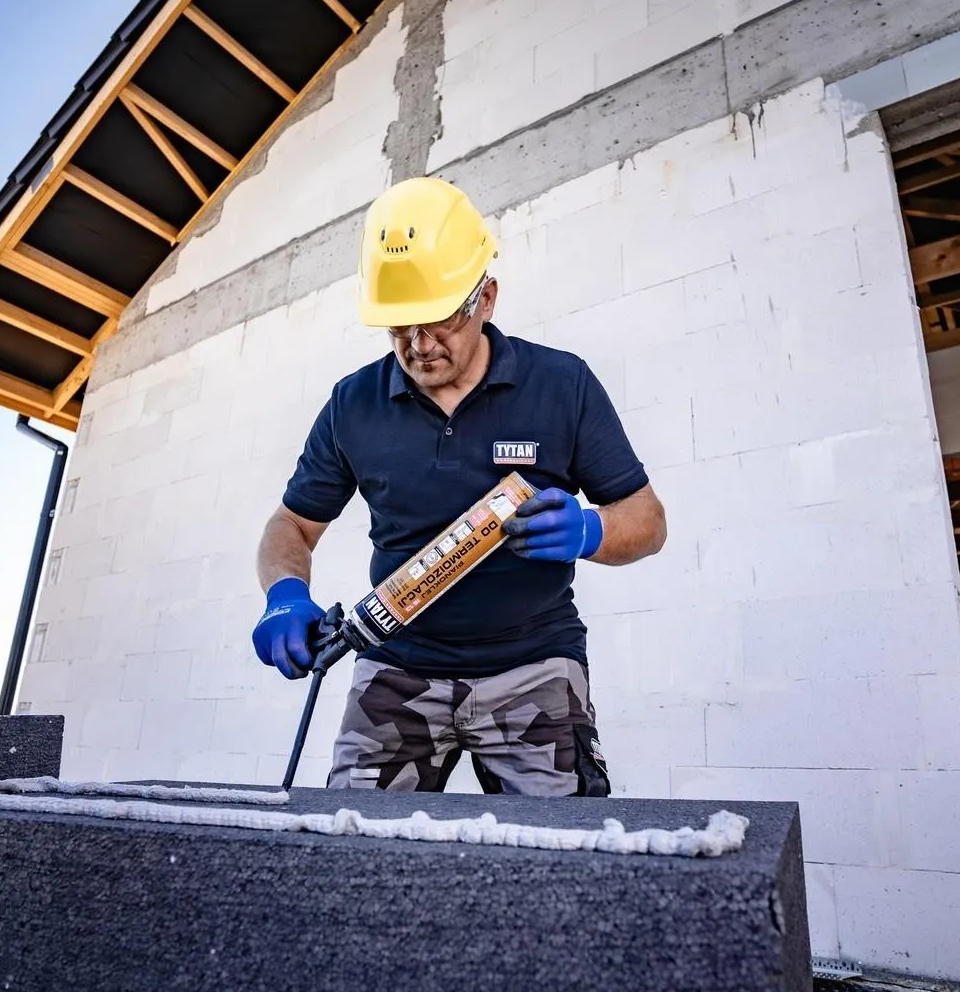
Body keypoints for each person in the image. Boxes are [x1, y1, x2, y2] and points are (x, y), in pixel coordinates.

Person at [251, 177, 666, 796]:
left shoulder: (562, 384)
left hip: (534, 666)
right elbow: (292, 526)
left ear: (486, 297)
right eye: (398, 328)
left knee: (559, 861)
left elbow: (647, 520)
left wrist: (591, 530)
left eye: (437, 320)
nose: (418, 346)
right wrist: (284, 594)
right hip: (398, 665)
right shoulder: (353, 405)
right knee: (349, 854)